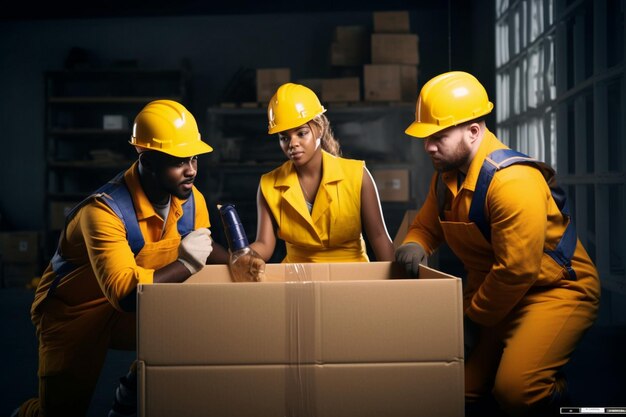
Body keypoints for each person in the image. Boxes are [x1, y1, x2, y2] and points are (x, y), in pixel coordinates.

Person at [394, 71, 600, 416]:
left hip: (552, 291)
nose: (428, 146)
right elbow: (427, 227)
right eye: (425, 137)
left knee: (515, 392)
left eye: (438, 136)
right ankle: (519, 356)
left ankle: (551, 389)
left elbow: (517, 271)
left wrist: (473, 321)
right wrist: (414, 244)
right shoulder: (446, 177)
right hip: (492, 294)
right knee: (455, 390)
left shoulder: (513, 183)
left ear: (474, 131)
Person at [14, 99, 231, 417]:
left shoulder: (191, 198)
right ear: (147, 158)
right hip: (74, 315)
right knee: (59, 413)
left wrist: (237, 261)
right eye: (178, 161)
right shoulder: (103, 212)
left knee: (199, 318)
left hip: (131, 311)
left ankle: (132, 391)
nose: (192, 170)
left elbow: (202, 245)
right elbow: (128, 296)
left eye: (194, 158)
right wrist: (185, 264)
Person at [249, 82, 395, 263]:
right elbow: (264, 244)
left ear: (319, 128)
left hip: (351, 278)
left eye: (301, 133)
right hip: (298, 281)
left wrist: (396, 285)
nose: (292, 144)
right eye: (284, 137)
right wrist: (244, 255)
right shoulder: (269, 185)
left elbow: (379, 236)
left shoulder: (357, 176)